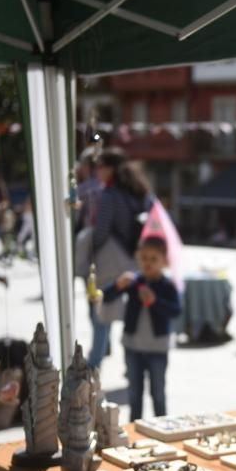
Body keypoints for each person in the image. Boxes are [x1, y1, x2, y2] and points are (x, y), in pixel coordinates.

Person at [100, 236, 181, 422]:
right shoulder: (134, 282)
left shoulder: (167, 285)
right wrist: (117, 284)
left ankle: (162, 427)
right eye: (144, 258)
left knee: (158, 394)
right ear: (137, 258)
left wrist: (155, 302)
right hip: (133, 346)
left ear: (164, 261)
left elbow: (176, 311)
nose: (148, 263)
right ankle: (135, 430)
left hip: (158, 348)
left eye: (154, 259)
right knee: (134, 394)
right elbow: (107, 296)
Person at [86, 147, 152, 369]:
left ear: (111, 168)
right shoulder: (140, 191)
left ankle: (94, 363)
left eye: (101, 166)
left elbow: (102, 230)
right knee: (132, 314)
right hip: (136, 260)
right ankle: (132, 365)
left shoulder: (109, 195)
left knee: (101, 314)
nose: (97, 171)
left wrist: (89, 249)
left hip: (111, 261)